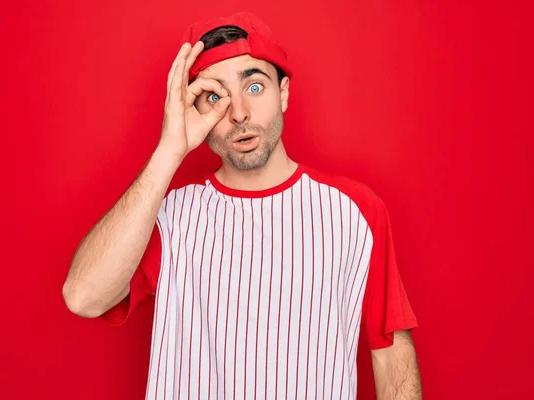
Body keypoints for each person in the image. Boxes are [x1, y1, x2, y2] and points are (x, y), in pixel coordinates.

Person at [62, 11, 422, 400]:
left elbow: (390, 353)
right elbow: (84, 296)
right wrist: (170, 149)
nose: (238, 113)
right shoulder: (168, 216)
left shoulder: (355, 212)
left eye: (254, 86)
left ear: (283, 92)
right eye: (214, 96)